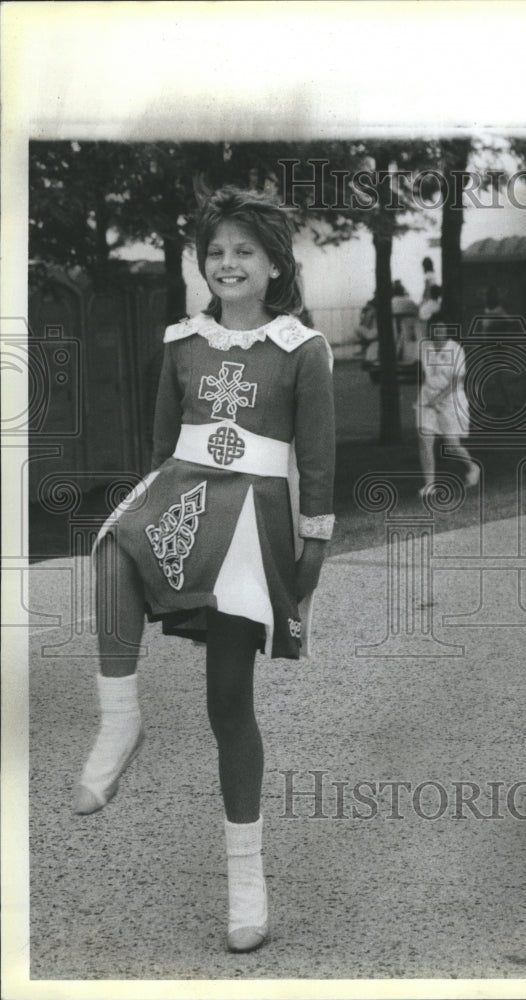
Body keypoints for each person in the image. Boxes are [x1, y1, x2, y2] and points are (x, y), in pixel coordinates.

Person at [73, 186, 336, 955]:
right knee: (112, 544)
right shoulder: (183, 342)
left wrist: (310, 554)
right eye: (215, 252)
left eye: (244, 251)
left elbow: (316, 465)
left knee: (229, 706)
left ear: (275, 265)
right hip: (186, 496)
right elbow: (164, 447)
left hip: (251, 531)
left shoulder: (301, 350)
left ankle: (246, 881)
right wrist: (159, 525)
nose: (228, 264)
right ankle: (121, 720)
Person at [416, 314, 480, 496]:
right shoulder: (424, 347)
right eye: (435, 329)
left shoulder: (456, 349)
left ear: (446, 330)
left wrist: (439, 398)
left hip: (451, 400)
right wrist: (428, 396)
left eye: (442, 329)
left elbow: (456, 380)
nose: (438, 333)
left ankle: (472, 466)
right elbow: (423, 371)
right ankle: (430, 485)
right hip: (427, 399)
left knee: (451, 445)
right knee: (424, 440)